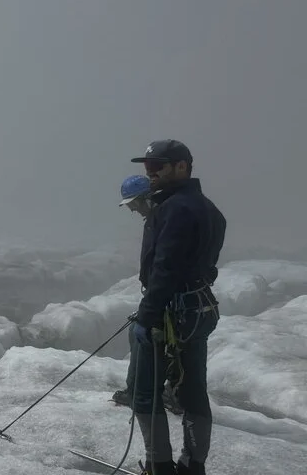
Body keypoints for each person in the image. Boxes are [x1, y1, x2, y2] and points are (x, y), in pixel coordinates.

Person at [128, 140, 225, 475]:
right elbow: (210, 255)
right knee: (193, 389)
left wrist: (148, 315)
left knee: (145, 394)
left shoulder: (173, 208)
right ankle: (192, 467)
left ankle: (159, 468)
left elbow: (165, 267)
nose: (150, 172)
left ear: (182, 166)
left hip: (172, 311)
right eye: (148, 166)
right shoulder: (207, 208)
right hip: (198, 308)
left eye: (159, 165)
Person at [112, 175, 183, 415]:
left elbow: (166, 265)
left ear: (146, 198)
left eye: (133, 202)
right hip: (165, 296)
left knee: (153, 342)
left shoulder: (164, 219)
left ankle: (144, 393)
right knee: (155, 341)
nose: (132, 208)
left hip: (170, 298)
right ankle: (154, 391)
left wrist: (152, 305)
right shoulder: (157, 218)